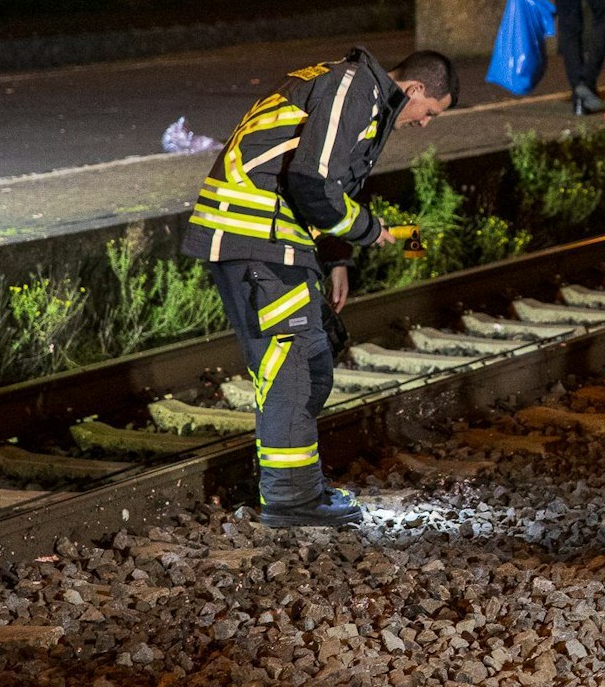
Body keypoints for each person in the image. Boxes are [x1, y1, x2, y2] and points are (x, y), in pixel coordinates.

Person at [182, 48, 457, 527]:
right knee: (294, 367)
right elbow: (312, 181)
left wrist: (337, 260)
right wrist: (369, 229)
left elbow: (326, 184)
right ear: (413, 90)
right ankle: (290, 501)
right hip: (255, 236)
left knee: (312, 360)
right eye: (430, 112)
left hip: (272, 239)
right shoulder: (355, 87)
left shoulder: (359, 95)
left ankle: (295, 487)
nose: (425, 123)